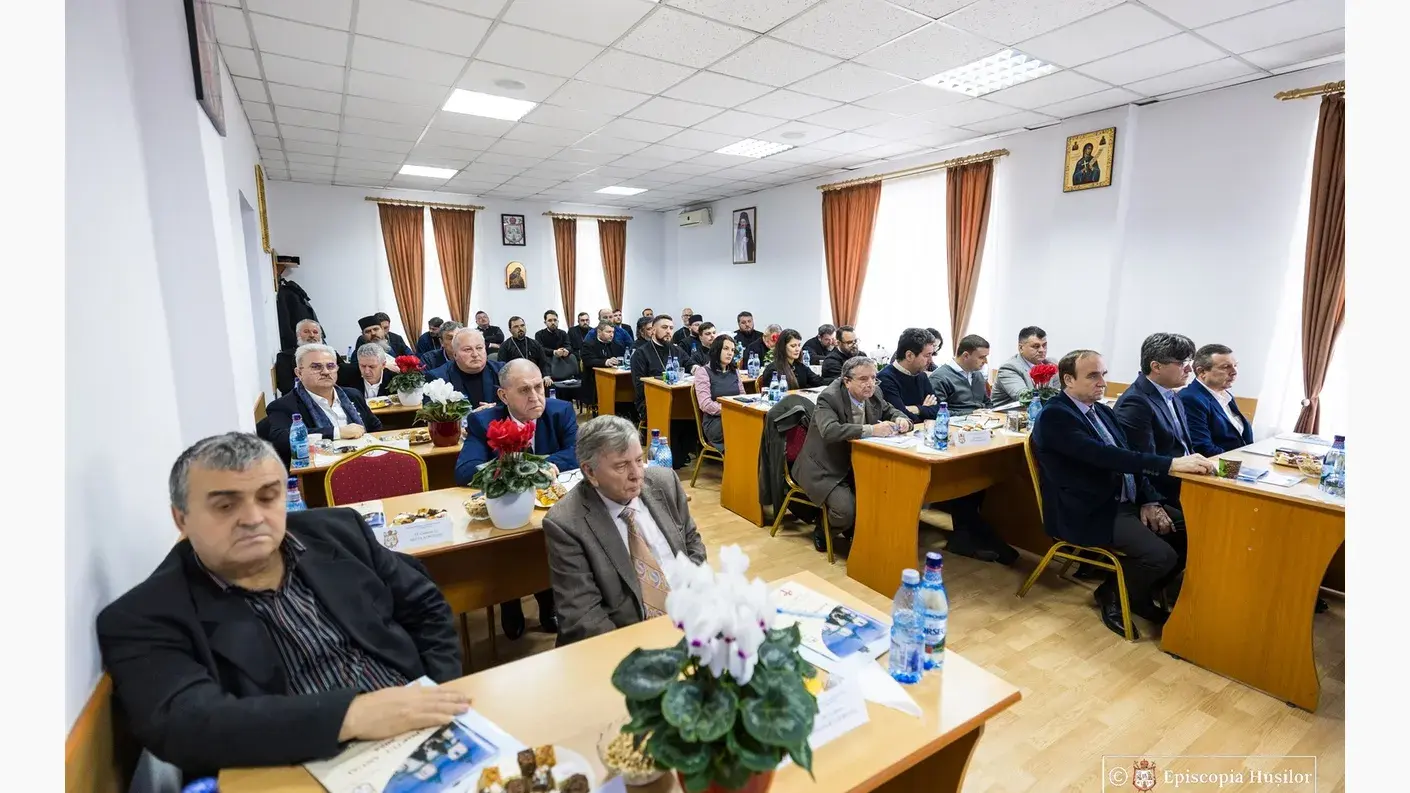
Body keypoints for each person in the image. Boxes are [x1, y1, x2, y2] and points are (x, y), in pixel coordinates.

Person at [95, 433, 467, 779]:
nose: (253, 518)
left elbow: (425, 605)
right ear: (181, 518)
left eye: (268, 497)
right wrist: (351, 716)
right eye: (225, 505)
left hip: (422, 723)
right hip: (294, 767)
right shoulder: (144, 615)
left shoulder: (339, 531)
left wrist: (438, 691)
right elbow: (187, 723)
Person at [1031, 349, 1214, 638]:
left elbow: (1130, 457)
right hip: (1089, 509)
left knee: (1193, 534)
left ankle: (1136, 592)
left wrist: (1149, 500)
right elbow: (1105, 456)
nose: (1102, 382)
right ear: (1068, 379)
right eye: (1093, 376)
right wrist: (1170, 464)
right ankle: (1112, 595)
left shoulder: (1102, 411)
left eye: (1103, 374)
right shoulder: (1055, 416)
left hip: (1125, 501)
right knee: (1160, 556)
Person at [541, 415, 707, 646]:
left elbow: (693, 544)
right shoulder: (566, 523)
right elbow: (584, 618)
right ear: (590, 472)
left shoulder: (665, 482)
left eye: (638, 460)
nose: (636, 474)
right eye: (621, 466)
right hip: (627, 641)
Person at [455, 360, 576, 639]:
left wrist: (547, 464)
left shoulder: (560, 411)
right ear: (503, 395)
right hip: (504, 513)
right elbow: (464, 471)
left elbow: (577, 452)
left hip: (547, 511)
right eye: (524, 390)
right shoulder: (483, 421)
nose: (535, 397)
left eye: (538, 387)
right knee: (506, 542)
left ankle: (547, 599)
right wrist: (517, 467)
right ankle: (509, 600)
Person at [794, 357, 911, 554]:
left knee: (887, 496)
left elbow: (890, 410)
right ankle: (823, 529)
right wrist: (871, 430)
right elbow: (830, 431)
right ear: (847, 381)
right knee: (845, 511)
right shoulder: (829, 398)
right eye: (864, 379)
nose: (871, 384)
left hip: (859, 463)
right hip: (825, 467)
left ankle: (865, 536)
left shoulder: (874, 393)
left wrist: (902, 420)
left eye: (873, 378)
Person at [1114, 333, 1197, 504]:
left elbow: (1184, 447)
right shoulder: (1136, 402)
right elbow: (1140, 460)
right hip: (1163, 491)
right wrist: (1150, 501)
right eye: (1182, 363)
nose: (1190, 369)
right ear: (1156, 366)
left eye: (1190, 362)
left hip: (1187, 481)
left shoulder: (1173, 395)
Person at [265, 344, 382, 464]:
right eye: (316, 367)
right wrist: (337, 432)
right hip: (321, 469)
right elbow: (281, 439)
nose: (326, 372)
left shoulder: (353, 395)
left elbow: (376, 427)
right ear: (299, 373)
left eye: (330, 366)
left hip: (365, 460)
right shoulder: (284, 406)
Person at [630, 314, 694, 466]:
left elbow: (689, 363)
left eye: (671, 328)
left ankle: (682, 452)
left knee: (692, 412)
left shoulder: (676, 350)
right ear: (653, 330)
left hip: (677, 400)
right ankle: (670, 456)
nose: (668, 331)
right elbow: (639, 386)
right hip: (650, 402)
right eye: (664, 327)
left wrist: (696, 368)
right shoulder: (641, 353)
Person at [1180, 343, 1254, 457]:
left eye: (1235, 365)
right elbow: (1203, 448)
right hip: (1219, 464)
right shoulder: (1191, 399)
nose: (1234, 372)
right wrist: (1240, 461)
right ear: (1202, 372)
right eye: (1226, 367)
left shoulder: (1225, 395)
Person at [693, 334, 745, 453]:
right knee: (743, 426)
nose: (730, 353)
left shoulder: (734, 371)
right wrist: (730, 410)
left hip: (736, 416)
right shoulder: (703, 372)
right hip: (715, 422)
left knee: (757, 422)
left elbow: (743, 396)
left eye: (732, 350)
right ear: (716, 350)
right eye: (726, 349)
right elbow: (705, 404)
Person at [428, 328, 505, 408]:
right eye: (468, 349)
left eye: (479, 348)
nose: (475, 354)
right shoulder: (438, 378)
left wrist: (494, 410)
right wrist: (472, 414)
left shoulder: (502, 371)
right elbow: (433, 413)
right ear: (455, 354)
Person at [877, 328, 940, 421]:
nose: (931, 360)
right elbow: (902, 417)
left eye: (932, 355)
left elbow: (940, 410)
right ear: (909, 356)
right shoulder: (885, 378)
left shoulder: (921, 375)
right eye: (927, 355)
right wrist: (925, 410)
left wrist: (917, 409)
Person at [274, 319, 347, 396]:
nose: (312, 335)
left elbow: (344, 377)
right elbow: (285, 387)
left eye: (315, 332)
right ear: (298, 335)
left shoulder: (330, 354)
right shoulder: (285, 357)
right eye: (306, 332)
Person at [929, 334, 992, 416]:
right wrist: (971, 413)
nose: (985, 361)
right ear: (966, 356)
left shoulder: (978, 375)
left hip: (983, 420)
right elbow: (937, 412)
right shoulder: (940, 378)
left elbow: (987, 403)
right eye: (981, 357)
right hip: (956, 422)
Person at [580, 321, 628, 415]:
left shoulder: (617, 345)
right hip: (593, 381)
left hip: (615, 379)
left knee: (625, 393)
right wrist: (606, 362)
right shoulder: (588, 344)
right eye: (608, 332)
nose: (611, 335)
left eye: (613, 332)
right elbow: (588, 361)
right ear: (599, 332)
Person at [992, 326, 1049, 405]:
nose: (1042, 350)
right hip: (1009, 412)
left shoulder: (1050, 364)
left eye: (1044, 345)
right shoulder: (1009, 368)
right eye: (1036, 346)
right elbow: (1024, 398)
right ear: (1021, 348)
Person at [759, 329, 825, 391]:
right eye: (793, 346)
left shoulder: (800, 367)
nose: (797, 349)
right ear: (783, 347)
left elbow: (819, 381)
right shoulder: (772, 370)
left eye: (799, 345)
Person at [498, 316, 552, 383]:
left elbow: (544, 362)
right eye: (516, 327)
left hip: (535, 377)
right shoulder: (505, 346)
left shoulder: (535, 343)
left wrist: (546, 376)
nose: (520, 328)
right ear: (510, 330)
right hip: (516, 380)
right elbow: (502, 368)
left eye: (522, 325)